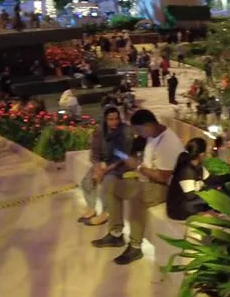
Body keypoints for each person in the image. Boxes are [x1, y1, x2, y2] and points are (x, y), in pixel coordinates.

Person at [91, 109, 185, 265]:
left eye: (138, 129)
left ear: (148, 125)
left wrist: (139, 167)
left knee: (137, 197)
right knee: (112, 185)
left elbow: (163, 177)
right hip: (147, 180)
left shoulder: (168, 143)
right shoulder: (153, 135)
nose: (137, 133)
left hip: (165, 188)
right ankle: (116, 234)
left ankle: (135, 246)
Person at [79, 106, 133, 227]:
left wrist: (106, 170)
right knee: (86, 182)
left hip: (121, 164)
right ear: (105, 120)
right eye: (110, 119)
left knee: (107, 183)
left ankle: (105, 213)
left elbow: (123, 155)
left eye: (116, 118)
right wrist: (97, 166)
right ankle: (92, 208)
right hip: (104, 164)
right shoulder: (100, 131)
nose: (114, 122)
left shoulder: (126, 131)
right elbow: (95, 152)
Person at [166, 137, 213, 221]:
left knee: (213, 192)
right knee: (209, 200)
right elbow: (190, 196)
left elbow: (211, 179)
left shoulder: (198, 167)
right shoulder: (186, 170)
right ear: (202, 154)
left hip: (188, 202)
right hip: (179, 208)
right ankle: (201, 213)